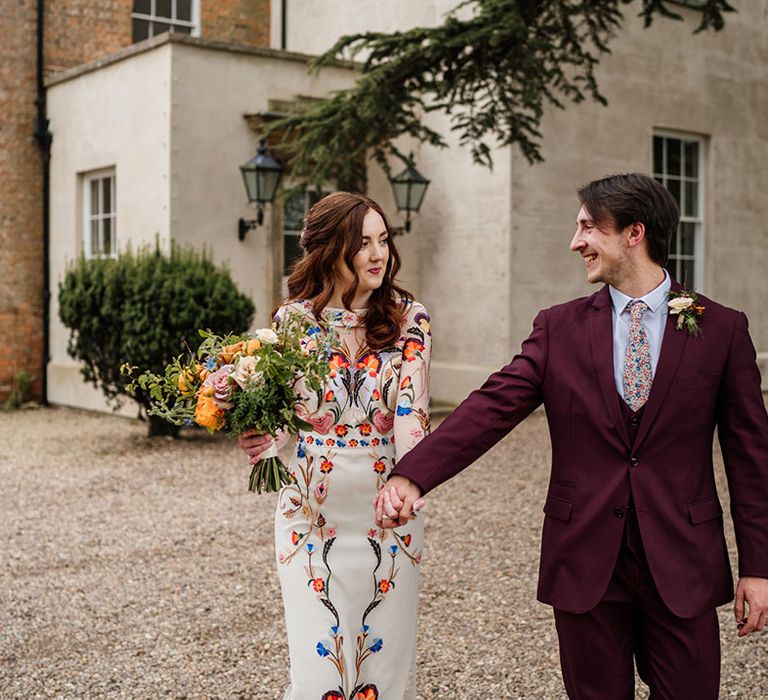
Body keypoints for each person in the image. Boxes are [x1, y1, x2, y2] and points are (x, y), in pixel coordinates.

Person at [377, 173, 768, 699]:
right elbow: (491, 408)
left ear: (634, 232)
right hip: (585, 559)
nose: (575, 241)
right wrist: (412, 475)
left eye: (588, 227)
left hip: (684, 559)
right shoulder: (558, 329)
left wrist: (759, 568)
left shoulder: (721, 329)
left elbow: (751, 458)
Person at [239, 192, 431, 700]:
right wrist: (260, 435)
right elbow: (287, 423)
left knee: (383, 675)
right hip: (308, 516)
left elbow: (413, 411)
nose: (377, 254)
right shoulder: (293, 323)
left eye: (383, 240)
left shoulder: (410, 318)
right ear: (330, 251)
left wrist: (411, 485)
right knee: (318, 672)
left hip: (388, 516)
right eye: (362, 243)